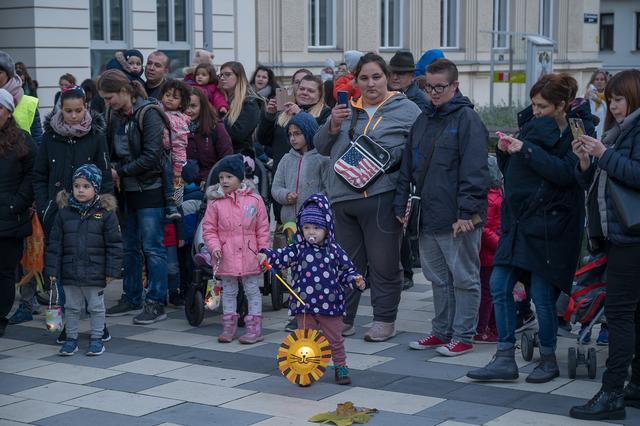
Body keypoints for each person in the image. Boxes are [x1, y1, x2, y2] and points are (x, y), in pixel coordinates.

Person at [467, 73, 591, 382]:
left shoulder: (578, 129)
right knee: (499, 284)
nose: (535, 111)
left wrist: (526, 150)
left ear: (562, 105)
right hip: (521, 221)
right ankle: (504, 357)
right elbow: (514, 172)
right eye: (533, 105)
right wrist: (508, 150)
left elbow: (566, 173)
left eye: (543, 106)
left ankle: (548, 359)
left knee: (541, 293)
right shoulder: (532, 124)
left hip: (553, 225)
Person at [315, 52, 421, 341]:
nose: (371, 83)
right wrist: (333, 125)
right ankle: (344, 319)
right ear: (355, 80)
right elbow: (321, 147)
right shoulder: (346, 108)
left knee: (384, 262)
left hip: (381, 196)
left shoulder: (407, 109)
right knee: (345, 263)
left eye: (377, 77)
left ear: (387, 78)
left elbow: (419, 150)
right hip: (342, 198)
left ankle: (384, 320)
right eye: (364, 78)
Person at [395, 58, 489, 356]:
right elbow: (408, 166)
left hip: (458, 217)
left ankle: (463, 336)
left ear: (455, 85)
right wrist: (401, 204)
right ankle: (441, 331)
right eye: (429, 86)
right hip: (428, 216)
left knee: (464, 278)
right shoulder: (423, 119)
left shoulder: (468, 120)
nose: (434, 92)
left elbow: (475, 171)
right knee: (437, 279)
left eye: (440, 87)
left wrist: (467, 214)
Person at [569, 69, 640, 421]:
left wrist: (603, 153)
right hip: (619, 235)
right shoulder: (617, 133)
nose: (613, 104)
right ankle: (636, 386)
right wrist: (586, 161)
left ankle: (611, 393)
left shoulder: (635, 132)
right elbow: (600, 185)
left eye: (619, 98)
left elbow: (637, 175)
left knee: (620, 313)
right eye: (610, 99)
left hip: (632, 237)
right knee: (634, 314)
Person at [15, 86, 113, 335]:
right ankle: (62, 326)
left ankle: (99, 325)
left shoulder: (96, 134)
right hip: (57, 212)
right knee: (58, 269)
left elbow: (105, 173)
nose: (74, 116)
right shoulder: (50, 136)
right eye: (68, 111)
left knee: (90, 265)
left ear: (86, 108)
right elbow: (40, 173)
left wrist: (106, 205)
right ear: (61, 109)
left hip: (90, 212)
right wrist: (46, 203)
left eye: (78, 110)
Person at [258, 194, 366, 385]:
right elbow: (281, 256)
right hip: (304, 304)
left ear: (327, 228)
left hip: (330, 305)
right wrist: (266, 254)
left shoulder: (334, 250)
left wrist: (355, 279)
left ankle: (340, 366)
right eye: (306, 228)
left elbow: (346, 271)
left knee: (335, 339)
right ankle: (307, 369)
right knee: (306, 340)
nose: (311, 232)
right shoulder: (298, 248)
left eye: (316, 228)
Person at [97, 69, 168, 325]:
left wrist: (120, 170)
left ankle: (156, 302)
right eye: (104, 99)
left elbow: (152, 156)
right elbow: (109, 151)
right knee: (129, 247)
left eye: (109, 97)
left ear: (124, 91)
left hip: (149, 189)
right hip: (124, 191)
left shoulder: (148, 113)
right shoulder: (113, 115)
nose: (107, 103)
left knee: (153, 247)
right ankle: (132, 296)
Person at [46, 164, 122, 356]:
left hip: (95, 271)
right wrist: (52, 271)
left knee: (96, 308)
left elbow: (114, 245)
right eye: (77, 186)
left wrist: (112, 271)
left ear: (95, 188)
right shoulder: (64, 213)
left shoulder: (105, 214)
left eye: (86, 186)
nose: (80, 190)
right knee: (71, 307)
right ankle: (71, 339)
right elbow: (55, 244)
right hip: (70, 271)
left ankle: (97, 338)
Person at [201, 154, 270, 344]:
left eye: (229, 177)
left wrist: (264, 250)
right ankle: (228, 327)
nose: (224, 181)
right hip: (225, 254)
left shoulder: (254, 200)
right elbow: (209, 229)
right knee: (229, 291)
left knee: (252, 290)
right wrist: (214, 246)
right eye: (221, 177)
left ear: (240, 178)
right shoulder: (215, 202)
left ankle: (254, 328)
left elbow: (262, 228)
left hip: (250, 254)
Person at [388, 50, 430, 291]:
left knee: (402, 221)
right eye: (393, 72)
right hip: (395, 164)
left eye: (401, 74)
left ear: (412, 76)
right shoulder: (394, 95)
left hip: (410, 165)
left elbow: (421, 136)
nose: (396, 77)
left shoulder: (417, 100)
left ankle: (406, 270)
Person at [0, 89, 36, 337]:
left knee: (4, 272)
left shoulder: (22, 140)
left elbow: (34, 175)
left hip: (10, 218)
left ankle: (0, 317)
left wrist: (16, 203)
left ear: (8, 112)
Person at [271, 112, 328, 224]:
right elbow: (276, 188)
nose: (292, 138)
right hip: (290, 223)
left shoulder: (323, 159)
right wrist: (286, 195)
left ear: (309, 132)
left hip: (315, 223)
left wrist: (314, 202)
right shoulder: (286, 159)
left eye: (297, 134)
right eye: (290, 134)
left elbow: (329, 189)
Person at [474, 154, 502, 344]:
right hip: (491, 254)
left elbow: (486, 228)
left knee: (488, 293)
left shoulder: (490, 198)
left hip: (488, 254)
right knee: (489, 293)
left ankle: (487, 328)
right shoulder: (495, 196)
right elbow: (488, 228)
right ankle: (487, 329)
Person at [185, 87, 233, 186]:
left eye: (193, 106)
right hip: (183, 183)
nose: (188, 110)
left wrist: (211, 180)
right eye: (185, 106)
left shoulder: (216, 127)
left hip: (211, 184)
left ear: (202, 107)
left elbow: (226, 158)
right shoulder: (176, 127)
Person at [159, 79, 191, 219]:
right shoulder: (157, 110)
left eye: (175, 97)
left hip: (169, 155)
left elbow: (179, 145)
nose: (170, 99)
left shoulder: (178, 120)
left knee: (169, 176)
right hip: (155, 152)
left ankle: (171, 204)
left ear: (182, 102)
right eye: (167, 95)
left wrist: (178, 168)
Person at [218, 61, 262, 156]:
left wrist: (217, 119)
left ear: (239, 77)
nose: (222, 78)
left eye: (227, 74)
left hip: (240, 157)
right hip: (221, 155)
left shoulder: (250, 102)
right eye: (220, 75)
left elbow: (237, 134)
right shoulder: (219, 101)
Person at [0, 51, 43, 144]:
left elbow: (37, 141)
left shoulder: (28, 103)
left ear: (9, 74)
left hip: (21, 155)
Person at [585, 69, 608, 138]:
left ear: (605, 82)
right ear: (593, 81)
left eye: (602, 79)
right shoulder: (588, 96)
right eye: (597, 79)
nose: (599, 81)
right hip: (590, 134)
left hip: (605, 134)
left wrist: (599, 100)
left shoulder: (610, 97)